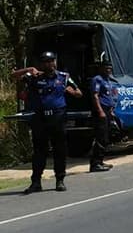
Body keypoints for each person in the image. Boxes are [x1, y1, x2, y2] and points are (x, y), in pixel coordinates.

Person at [12, 51, 83, 194]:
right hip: (40, 119)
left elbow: (79, 93)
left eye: (51, 61)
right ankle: (36, 182)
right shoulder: (34, 77)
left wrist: (72, 92)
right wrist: (28, 69)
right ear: (41, 63)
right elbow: (13, 76)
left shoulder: (64, 77)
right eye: (45, 61)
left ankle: (60, 180)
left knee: (60, 150)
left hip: (57, 118)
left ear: (55, 62)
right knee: (39, 151)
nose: (49, 64)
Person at [89, 60, 117, 172]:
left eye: (110, 67)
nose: (109, 69)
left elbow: (108, 96)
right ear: (101, 68)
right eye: (106, 67)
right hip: (100, 111)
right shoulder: (97, 79)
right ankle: (95, 164)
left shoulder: (108, 80)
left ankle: (100, 161)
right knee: (101, 137)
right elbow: (95, 96)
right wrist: (100, 111)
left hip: (107, 111)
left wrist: (111, 111)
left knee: (106, 137)